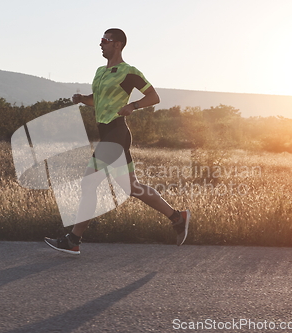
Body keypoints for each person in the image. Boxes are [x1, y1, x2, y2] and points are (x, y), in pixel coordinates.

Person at [45, 28, 190, 254]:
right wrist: (83, 99)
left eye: (105, 40)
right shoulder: (99, 72)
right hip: (109, 134)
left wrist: (133, 106)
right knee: (132, 187)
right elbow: (98, 101)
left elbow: (154, 96)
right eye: (101, 40)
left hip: (116, 132)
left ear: (118, 45)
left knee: (89, 183)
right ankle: (177, 217)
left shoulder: (127, 72)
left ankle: (73, 240)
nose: (101, 44)